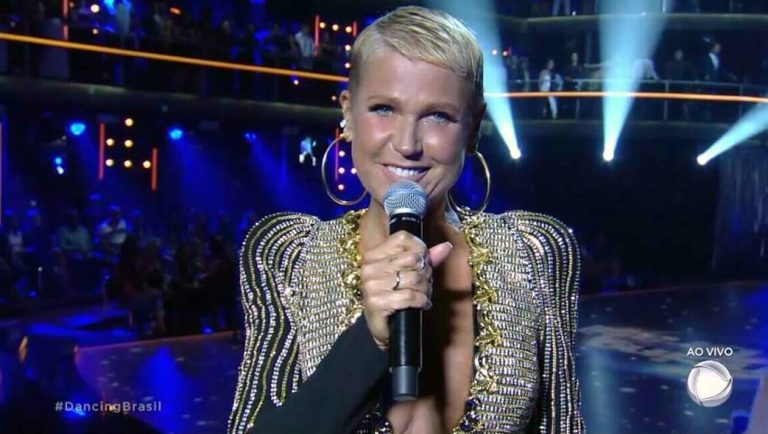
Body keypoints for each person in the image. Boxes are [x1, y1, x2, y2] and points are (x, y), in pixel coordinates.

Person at [228, 6, 584, 434]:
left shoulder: (535, 250)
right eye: (383, 109)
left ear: (473, 126)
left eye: (438, 116)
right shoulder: (290, 255)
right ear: (348, 114)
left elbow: (563, 425)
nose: (407, 143)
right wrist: (369, 340)